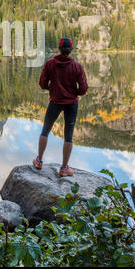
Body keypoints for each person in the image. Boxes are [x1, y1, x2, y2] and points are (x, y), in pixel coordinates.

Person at [33, 37, 88, 177]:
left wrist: (53, 88)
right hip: (71, 104)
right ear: (71, 50)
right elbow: (83, 89)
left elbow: (42, 83)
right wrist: (73, 92)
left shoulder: (50, 63)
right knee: (68, 136)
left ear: (59, 49)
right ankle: (64, 168)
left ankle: (39, 161)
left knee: (45, 130)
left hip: (55, 102)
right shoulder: (77, 66)